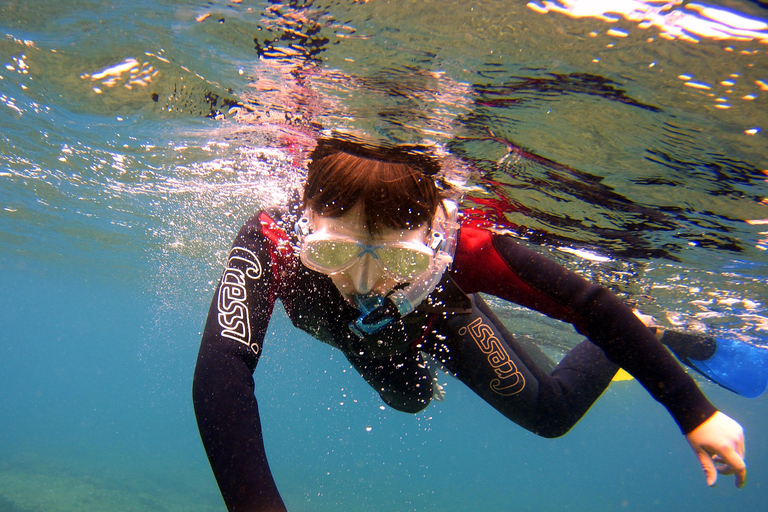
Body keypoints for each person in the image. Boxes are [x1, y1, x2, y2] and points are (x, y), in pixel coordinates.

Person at [193, 137, 746, 512]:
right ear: (306, 216)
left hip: (437, 317)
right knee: (409, 398)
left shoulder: (463, 251)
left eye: (397, 261)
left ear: (432, 235)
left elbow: (591, 306)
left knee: (551, 412)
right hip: (371, 344)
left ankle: (648, 331)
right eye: (333, 253)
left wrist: (692, 411)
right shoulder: (271, 240)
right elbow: (224, 367)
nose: (362, 281)